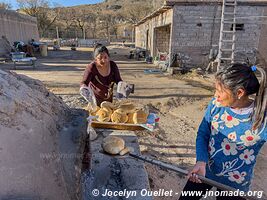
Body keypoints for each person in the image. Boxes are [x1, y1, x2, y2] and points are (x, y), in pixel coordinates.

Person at [179, 63, 267, 199]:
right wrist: (201, 161)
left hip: (234, 185)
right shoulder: (216, 105)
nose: (216, 95)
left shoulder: (262, 119)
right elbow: (203, 133)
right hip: (205, 170)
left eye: (220, 91)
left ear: (239, 93)